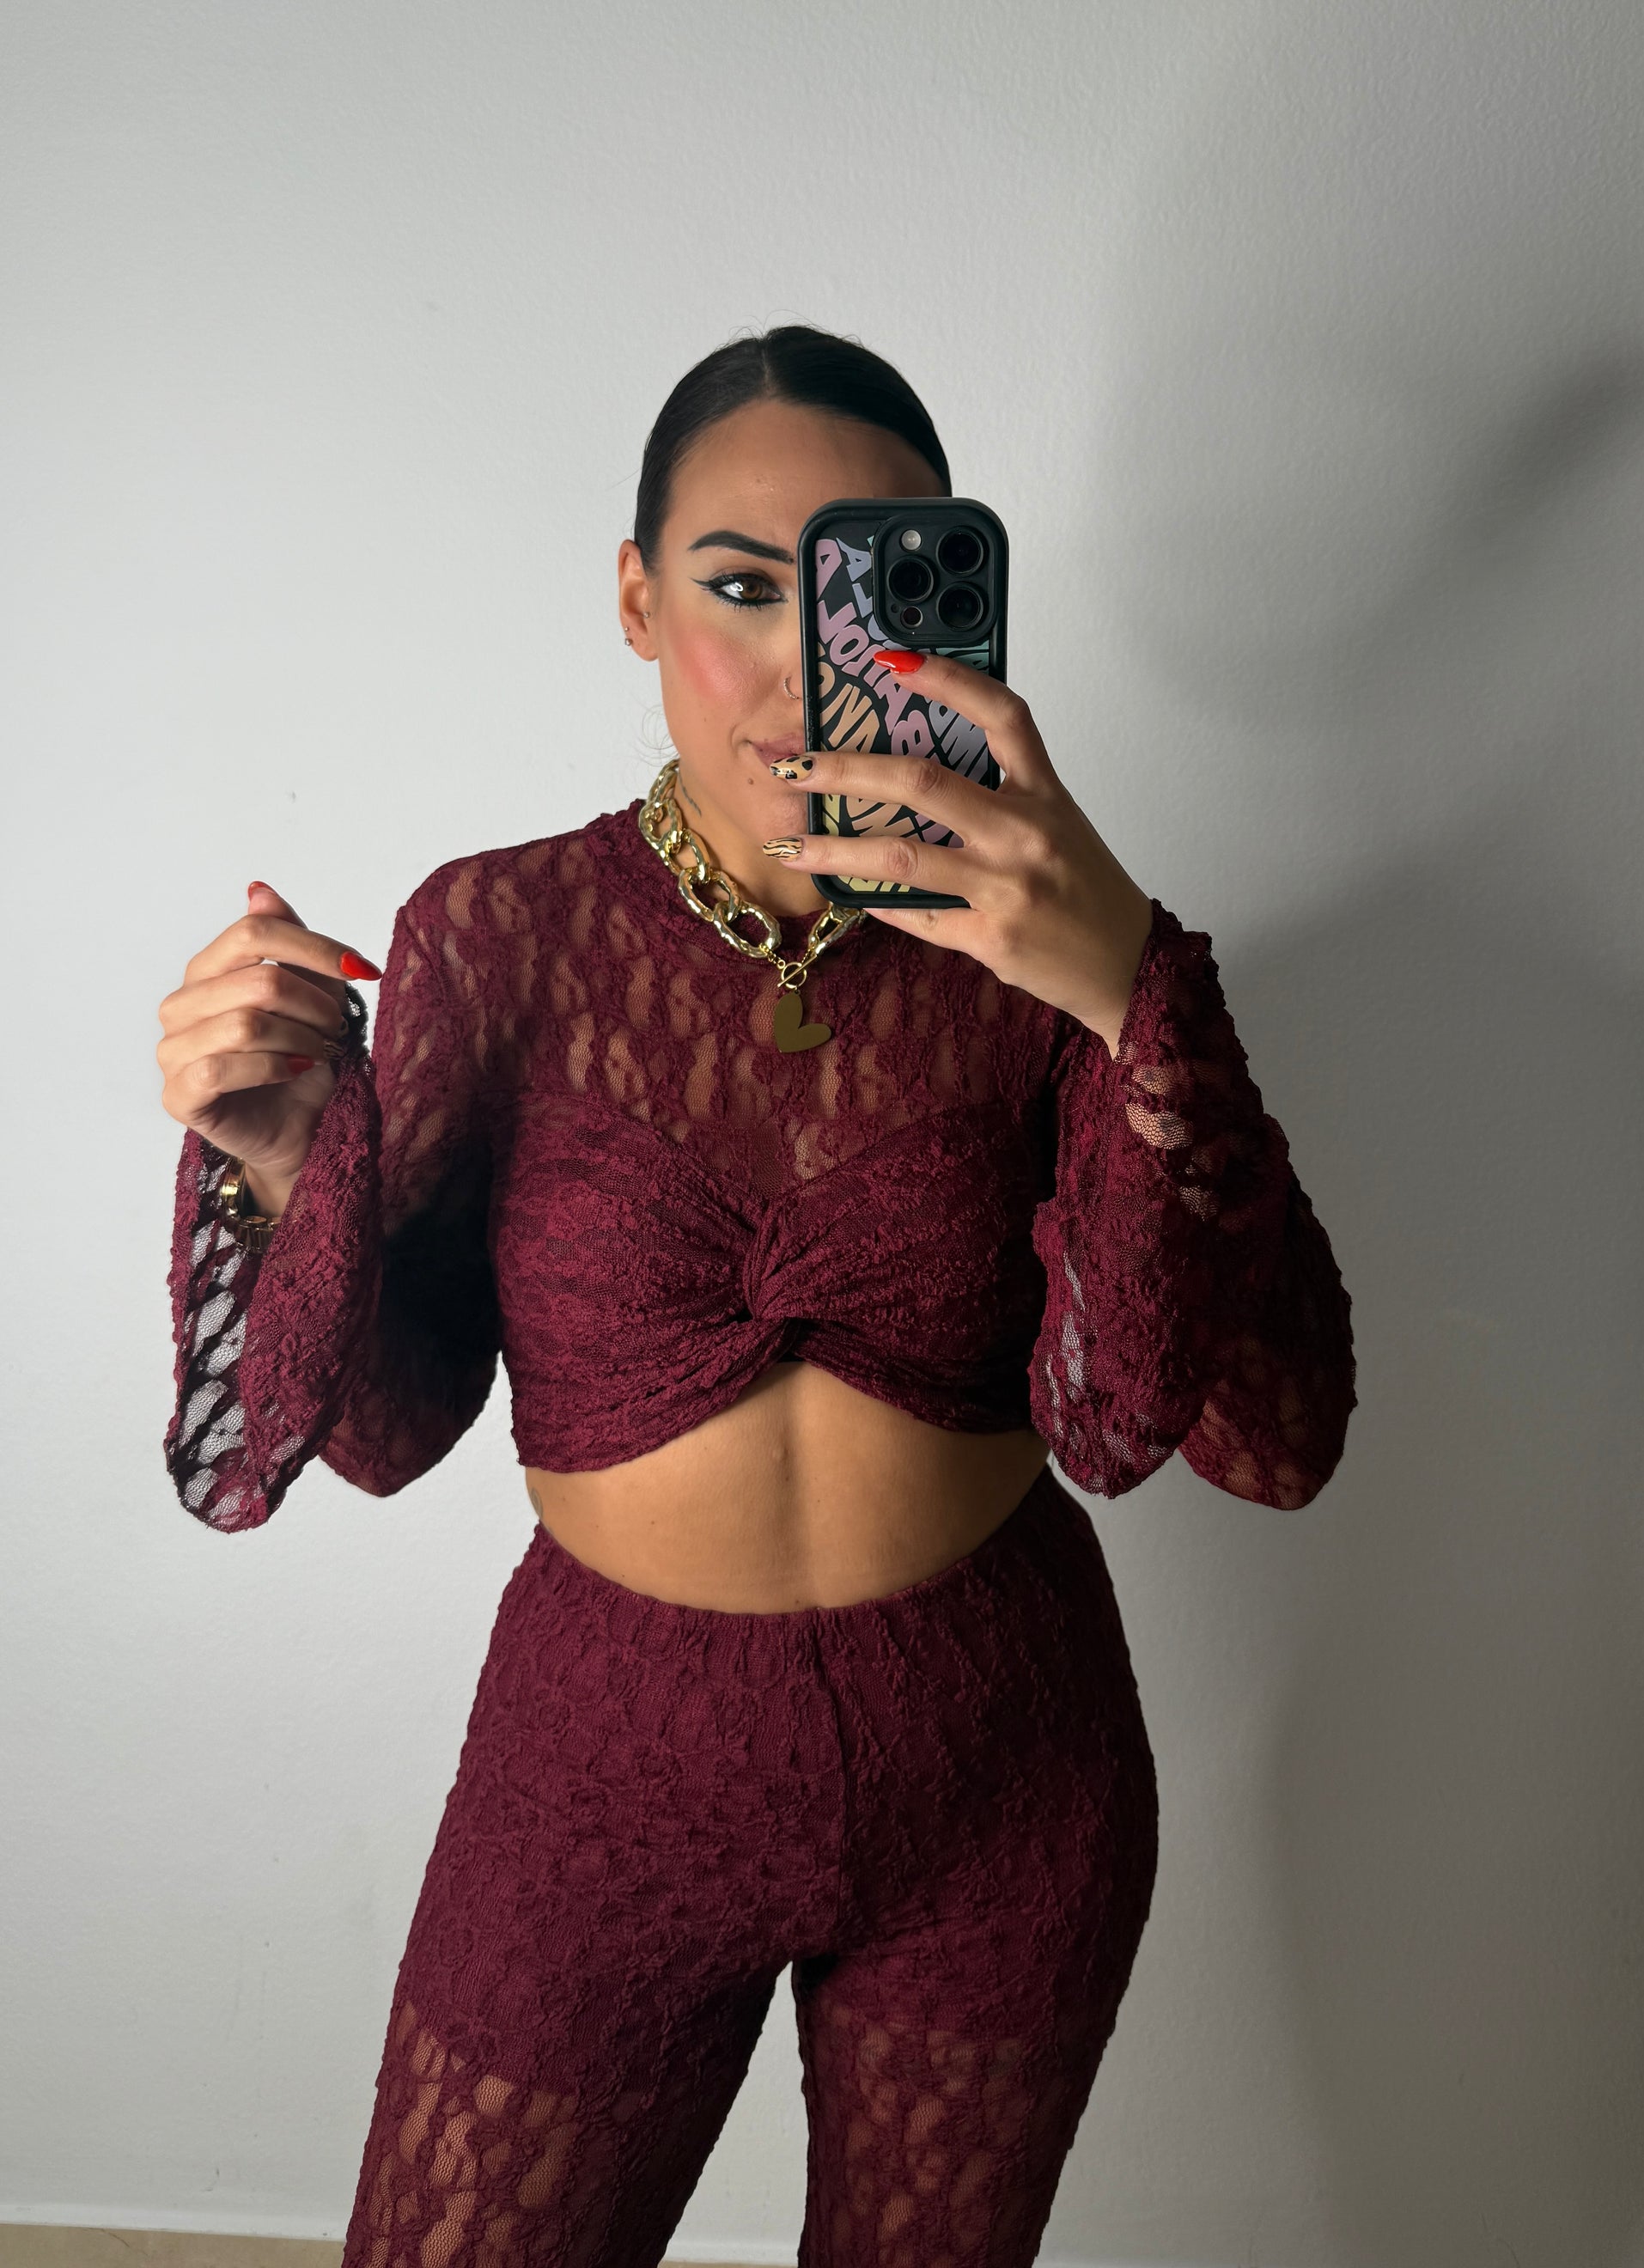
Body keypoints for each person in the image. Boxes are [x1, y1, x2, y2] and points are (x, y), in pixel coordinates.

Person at [156, 324, 1356, 2268]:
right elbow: (381, 1430)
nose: (804, 669)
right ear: (635, 600)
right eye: (736, 588)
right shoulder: (501, 935)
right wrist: (290, 1160)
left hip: (1005, 1778)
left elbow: (1261, 1439)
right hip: (598, 1783)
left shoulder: (1048, 954)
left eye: (867, 598)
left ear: (955, 617)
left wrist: (1127, 986)